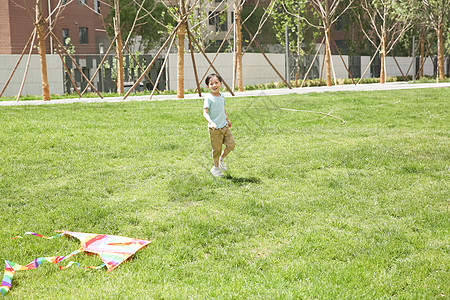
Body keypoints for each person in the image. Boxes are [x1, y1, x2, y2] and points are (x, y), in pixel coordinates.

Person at [203, 74, 236, 177]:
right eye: (211, 84)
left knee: (231, 145)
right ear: (208, 87)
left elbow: (223, 109)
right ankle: (216, 169)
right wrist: (211, 122)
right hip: (215, 129)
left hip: (224, 126)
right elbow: (205, 113)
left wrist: (228, 119)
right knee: (216, 150)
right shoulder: (208, 98)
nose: (214, 85)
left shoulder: (222, 96)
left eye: (216, 83)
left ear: (221, 84)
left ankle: (221, 159)